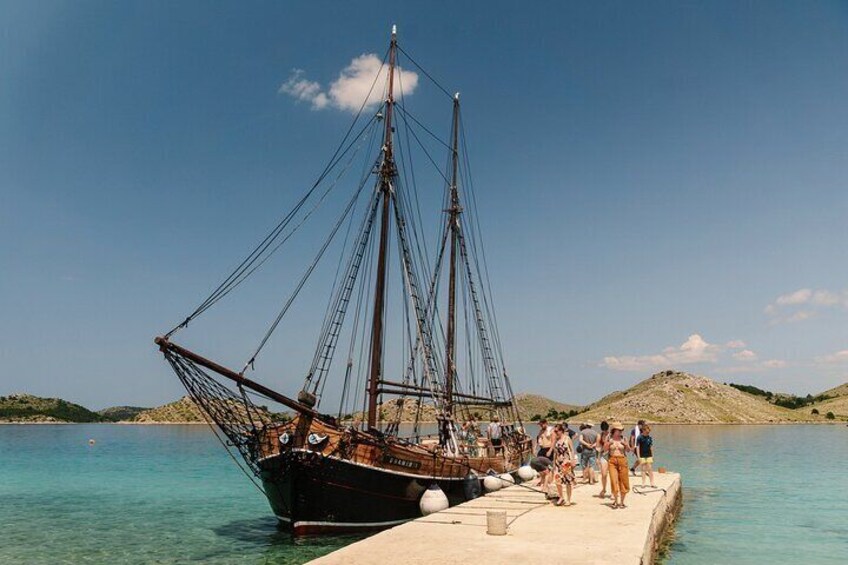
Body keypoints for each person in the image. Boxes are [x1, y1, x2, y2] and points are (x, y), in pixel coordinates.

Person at [604, 421, 631, 509]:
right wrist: (608, 443)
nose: (620, 431)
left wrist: (626, 445)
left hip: (622, 460)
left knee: (623, 481)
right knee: (613, 480)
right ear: (614, 430)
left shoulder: (624, 438)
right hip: (612, 460)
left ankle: (622, 502)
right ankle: (615, 501)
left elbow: (628, 450)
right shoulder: (608, 438)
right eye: (618, 430)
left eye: (621, 430)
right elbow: (604, 449)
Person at [551, 424, 576, 506]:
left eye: (556, 431)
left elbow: (572, 450)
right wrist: (554, 463)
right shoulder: (556, 440)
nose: (555, 433)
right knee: (557, 481)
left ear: (561, 431)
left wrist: (572, 460)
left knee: (568, 481)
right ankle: (561, 497)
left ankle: (568, 499)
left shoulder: (567, 438)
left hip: (566, 462)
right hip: (558, 463)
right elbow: (555, 452)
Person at [535, 419, 554, 491]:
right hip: (542, 449)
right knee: (539, 464)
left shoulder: (550, 430)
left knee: (549, 465)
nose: (541, 426)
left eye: (542, 424)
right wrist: (535, 448)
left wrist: (550, 450)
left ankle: (549, 481)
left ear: (546, 423)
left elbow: (553, 441)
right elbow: (537, 440)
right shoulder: (540, 431)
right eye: (540, 425)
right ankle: (542, 480)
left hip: (548, 448)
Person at [635, 424, 656, 488]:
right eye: (647, 432)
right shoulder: (639, 438)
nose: (648, 433)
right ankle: (643, 483)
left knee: (650, 469)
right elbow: (638, 447)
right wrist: (638, 457)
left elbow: (651, 447)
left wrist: (652, 456)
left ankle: (652, 483)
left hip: (649, 455)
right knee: (643, 469)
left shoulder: (649, 438)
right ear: (643, 430)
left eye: (649, 432)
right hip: (642, 455)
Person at [597, 421, 611, 499]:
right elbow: (598, 448)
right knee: (604, 474)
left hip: (612, 455)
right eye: (603, 430)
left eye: (606, 430)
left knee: (612, 474)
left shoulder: (611, 435)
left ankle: (613, 492)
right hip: (604, 456)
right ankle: (604, 488)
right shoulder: (600, 435)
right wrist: (597, 458)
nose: (605, 431)